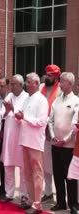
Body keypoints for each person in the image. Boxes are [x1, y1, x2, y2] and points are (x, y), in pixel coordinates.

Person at [16, 72, 48, 214]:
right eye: (26, 82)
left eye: (29, 82)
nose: (27, 84)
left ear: (36, 83)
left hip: (35, 142)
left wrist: (25, 117)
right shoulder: (27, 99)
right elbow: (23, 119)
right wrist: (19, 117)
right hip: (25, 140)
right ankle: (30, 199)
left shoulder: (42, 100)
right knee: (27, 173)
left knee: (37, 174)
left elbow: (41, 122)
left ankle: (38, 204)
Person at [48, 72, 79, 214]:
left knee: (70, 176)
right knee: (58, 174)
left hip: (69, 146)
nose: (60, 83)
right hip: (55, 144)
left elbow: (75, 125)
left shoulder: (76, 101)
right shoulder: (56, 100)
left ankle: (73, 204)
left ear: (70, 84)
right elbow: (50, 120)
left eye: (63, 81)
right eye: (60, 81)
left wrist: (65, 140)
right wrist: (54, 137)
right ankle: (61, 202)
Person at [0, 74, 29, 205]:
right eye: (10, 84)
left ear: (21, 85)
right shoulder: (9, 96)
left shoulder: (27, 98)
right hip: (9, 137)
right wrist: (6, 111)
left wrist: (12, 109)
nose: (11, 86)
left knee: (23, 169)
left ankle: (24, 195)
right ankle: (9, 193)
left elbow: (24, 116)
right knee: (8, 166)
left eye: (13, 84)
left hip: (21, 138)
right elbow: (2, 114)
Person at [39, 64, 61, 202]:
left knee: (54, 165)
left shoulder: (59, 91)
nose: (47, 77)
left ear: (56, 77)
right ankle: (48, 192)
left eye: (50, 75)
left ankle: (60, 193)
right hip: (39, 131)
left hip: (53, 133)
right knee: (44, 164)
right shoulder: (41, 87)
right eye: (46, 74)